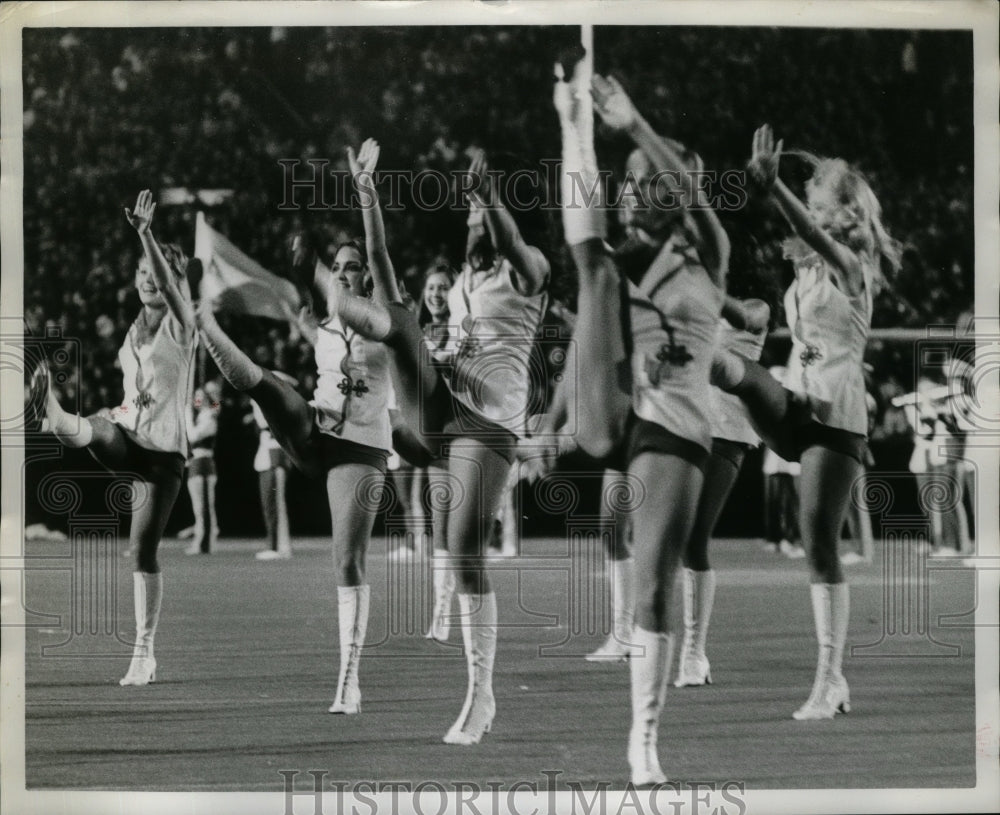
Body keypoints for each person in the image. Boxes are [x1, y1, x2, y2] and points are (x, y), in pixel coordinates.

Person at [327, 140, 550, 744]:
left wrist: (491, 197)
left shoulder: (528, 270)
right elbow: (382, 260)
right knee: (398, 319)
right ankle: (373, 397)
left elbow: (514, 247)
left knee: (460, 549)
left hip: (492, 423)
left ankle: (482, 696)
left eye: (481, 213)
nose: (473, 219)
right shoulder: (459, 287)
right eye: (470, 212)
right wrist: (366, 192)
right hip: (446, 412)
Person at [555, 62, 728, 785]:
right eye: (629, 178)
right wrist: (574, 129)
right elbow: (586, 240)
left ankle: (644, 741)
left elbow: (694, 198)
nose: (638, 188)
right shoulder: (619, 260)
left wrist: (634, 124)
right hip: (617, 409)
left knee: (655, 583)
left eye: (648, 177)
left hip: (673, 426)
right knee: (590, 263)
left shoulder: (710, 258)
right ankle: (571, 131)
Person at [711, 124, 902, 720]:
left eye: (820, 204)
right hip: (797, 399)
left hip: (836, 417)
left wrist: (774, 191)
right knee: (730, 368)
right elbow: (806, 242)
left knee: (819, 543)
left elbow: (812, 235)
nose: (812, 214)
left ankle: (831, 679)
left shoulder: (852, 267)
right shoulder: (809, 272)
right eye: (811, 202)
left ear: (846, 212)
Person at [194, 224, 393, 715]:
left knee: (346, 561)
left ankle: (349, 680)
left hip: (360, 450)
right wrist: (300, 310)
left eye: (352, 268)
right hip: (315, 431)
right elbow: (317, 324)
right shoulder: (325, 327)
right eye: (338, 267)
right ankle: (208, 327)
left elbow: (378, 260)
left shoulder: (386, 317)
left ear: (367, 278)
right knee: (269, 384)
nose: (344, 275)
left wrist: (322, 262)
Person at [29, 189, 197, 686]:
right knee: (99, 426)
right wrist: (113, 411)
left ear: (172, 280)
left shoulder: (184, 325)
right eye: (143, 273)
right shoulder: (130, 333)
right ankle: (57, 417)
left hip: (162, 455)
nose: (149, 279)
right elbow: (132, 394)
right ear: (134, 279)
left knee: (141, 552)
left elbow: (171, 289)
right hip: (126, 433)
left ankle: (144, 653)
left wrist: (147, 234)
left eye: (158, 273)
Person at [674, 295, 769, 687]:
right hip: (684, 422)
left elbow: (745, 316)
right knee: (674, 537)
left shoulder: (757, 307)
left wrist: (700, 285)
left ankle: (694, 652)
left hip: (726, 432)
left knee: (695, 538)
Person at [248, 373, 297, 561]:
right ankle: (274, 544)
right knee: (270, 503)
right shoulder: (262, 400)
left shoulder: (276, 401)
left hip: (275, 452)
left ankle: (278, 546)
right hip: (267, 451)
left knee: (276, 502)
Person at [184, 380, 222, 555]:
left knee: (204, 507)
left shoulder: (209, 416)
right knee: (198, 507)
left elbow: (193, 436)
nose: (196, 401)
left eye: (200, 398)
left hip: (204, 463)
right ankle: (201, 539)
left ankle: (205, 543)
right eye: (195, 398)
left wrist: (186, 416)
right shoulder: (201, 416)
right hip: (195, 463)